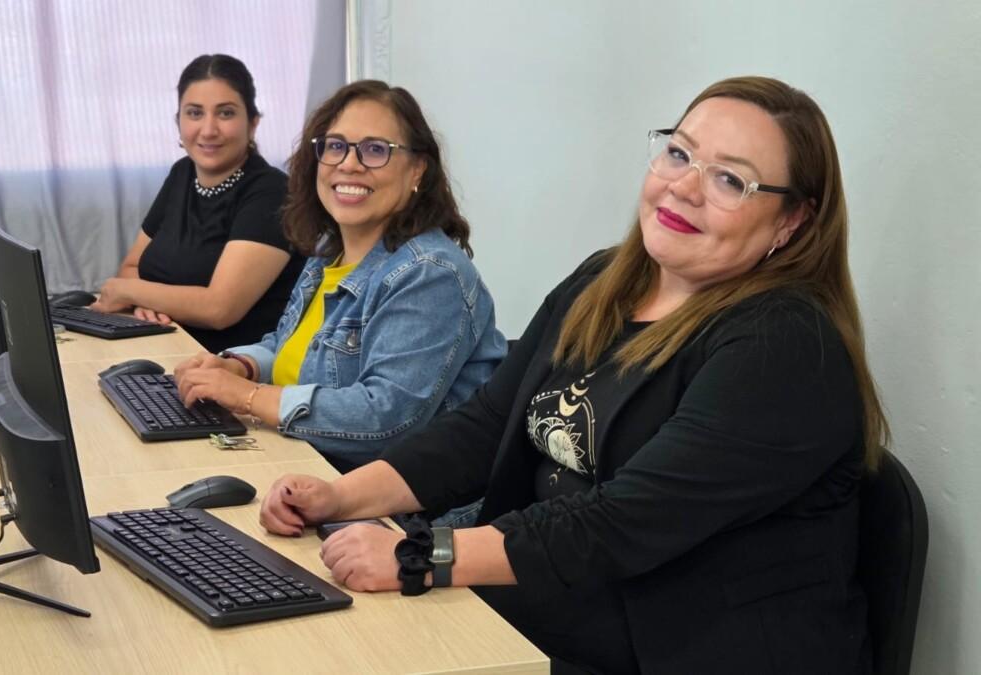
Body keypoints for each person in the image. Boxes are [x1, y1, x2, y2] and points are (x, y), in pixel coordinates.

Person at [257, 76, 889, 674]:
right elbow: (485, 427)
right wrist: (341, 498)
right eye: (679, 155)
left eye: (730, 180)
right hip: (549, 613)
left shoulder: (785, 343)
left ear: (793, 220)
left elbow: (624, 521)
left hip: (677, 649)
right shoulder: (604, 280)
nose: (684, 188)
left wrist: (422, 556)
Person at [174, 80, 507, 486]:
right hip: (305, 466)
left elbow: (383, 419)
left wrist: (246, 397)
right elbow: (287, 345)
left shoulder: (429, 274)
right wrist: (238, 365)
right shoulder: (329, 255)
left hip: (391, 518)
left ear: (418, 169)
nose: (349, 164)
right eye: (335, 146)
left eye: (375, 150)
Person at [89, 54, 303, 354]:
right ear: (179, 121)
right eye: (194, 113)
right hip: (164, 346)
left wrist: (131, 292)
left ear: (252, 123)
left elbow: (219, 309)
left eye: (226, 113)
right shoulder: (183, 173)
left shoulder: (273, 193)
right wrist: (146, 301)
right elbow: (131, 266)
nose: (208, 129)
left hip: (232, 369)